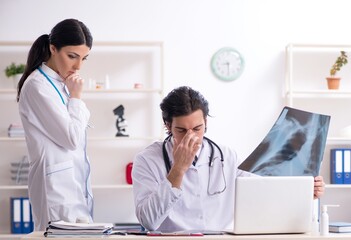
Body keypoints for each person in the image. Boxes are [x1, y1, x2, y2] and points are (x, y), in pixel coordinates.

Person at [132, 86, 325, 232]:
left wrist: (304, 189)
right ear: (168, 126)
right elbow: (148, 221)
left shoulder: (226, 156)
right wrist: (178, 170)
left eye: (197, 129)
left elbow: (264, 188)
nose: (191, 137)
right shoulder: (147, 161)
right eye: (181, 130)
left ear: (206, 123)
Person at [17, 19, 93, 231]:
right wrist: (76, 97)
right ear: (53, 48)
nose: (78, 66)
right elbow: (71, 138)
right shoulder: (37, 86)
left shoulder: (62, 84)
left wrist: (74, 96)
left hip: (72, 188)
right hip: (56, 191)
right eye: (72, 56)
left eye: (84, 58)